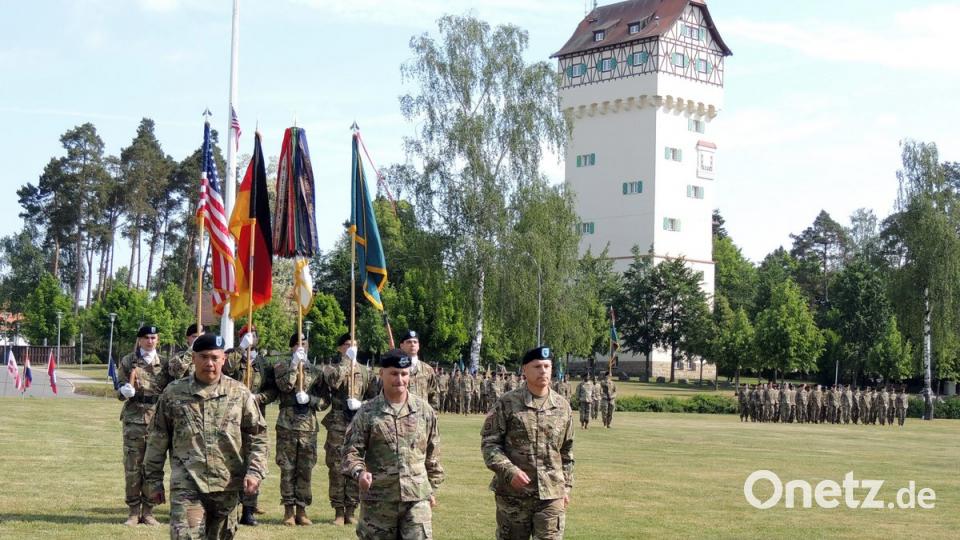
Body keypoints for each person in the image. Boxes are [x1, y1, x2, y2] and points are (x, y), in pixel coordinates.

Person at [143, 333, 269, 540]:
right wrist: (154, 480)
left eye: (214, 357)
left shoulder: (240, 393)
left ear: (223, 359)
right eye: (203, 357)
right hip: (187, 482)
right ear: (193, 358)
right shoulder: (173, 393)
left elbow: (258, 437)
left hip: (227, 484)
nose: (209, 363)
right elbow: (158, 438)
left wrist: (255, 471)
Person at [342, 348, 445, 539]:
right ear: (381, 374)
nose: (400, 379)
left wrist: (431, 488)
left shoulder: (424, 411)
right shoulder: (367, 412)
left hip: (416, 501)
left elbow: (433, 456)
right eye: (394, 374)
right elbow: (351, 452)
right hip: (379, 501)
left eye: (404, 374)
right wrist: (360, 473)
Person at [481, 346, 574, 540]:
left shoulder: (562, 406)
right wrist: (509, 471)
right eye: (537, 366)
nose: (543, 371)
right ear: (524, 370)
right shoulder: (507, 403)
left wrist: (566, 487)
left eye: (547, 366)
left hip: (551, 494)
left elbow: (567, 452)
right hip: (513, 496)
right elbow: (490, 444)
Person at [116, 324, 173, 527]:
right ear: (139, 340)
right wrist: (125, 390)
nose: (151, 341)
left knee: (153, 468)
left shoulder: (165, 364)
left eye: (154, 337)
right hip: (135, 420)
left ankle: (148, 511)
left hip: (157, 421)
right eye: (147, 337)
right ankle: (133, 511)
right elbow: (120, 392)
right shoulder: (129, 361)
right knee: (133, 467)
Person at [320, 333, 378, 526]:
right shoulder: (331, 368)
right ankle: (338, 510)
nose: (350, 347)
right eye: (346, 344)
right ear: (340, 348)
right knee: (336, 467)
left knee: (357, 465)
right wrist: (347, 361)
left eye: (354, 344)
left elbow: (376, 397)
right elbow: (333, 382)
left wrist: (361, 404)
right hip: (337, 424)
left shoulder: (366, 371)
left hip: (358, 424)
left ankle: (351, 509)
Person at [223, 325, 278, 526]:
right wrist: (239, 349)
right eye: (246, 335)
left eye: (253, 335)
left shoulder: (263, 363)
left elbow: (273, 390)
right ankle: (229, 506)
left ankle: (248, 510)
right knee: (230, 461)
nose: (251, 338)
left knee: (253, 462)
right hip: (231, 418)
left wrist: (258, 397)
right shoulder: (233, 357)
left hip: (255, 419)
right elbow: (225, 369)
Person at [273, 332, 327, 526]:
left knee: (306, 469)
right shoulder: (281, 367)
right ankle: (288, 509)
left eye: (304, 343)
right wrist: (294, 365)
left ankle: (302, 509)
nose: (301, 347)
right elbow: (285, 386)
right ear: (291, 348)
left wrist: (311, 400)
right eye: (297, 344)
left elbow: (324, 401)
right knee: (287, 468)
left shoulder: (316, 371)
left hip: (308, 427)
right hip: (287, 425)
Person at [399, 330, 436, 404]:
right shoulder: (395, 369)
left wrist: (432, 414)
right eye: (409, 342)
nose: (412, 344)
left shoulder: (428, 370)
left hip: (422, 414)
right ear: (402, 346)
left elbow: (434, 396)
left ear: (418, 346)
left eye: (415, 342)